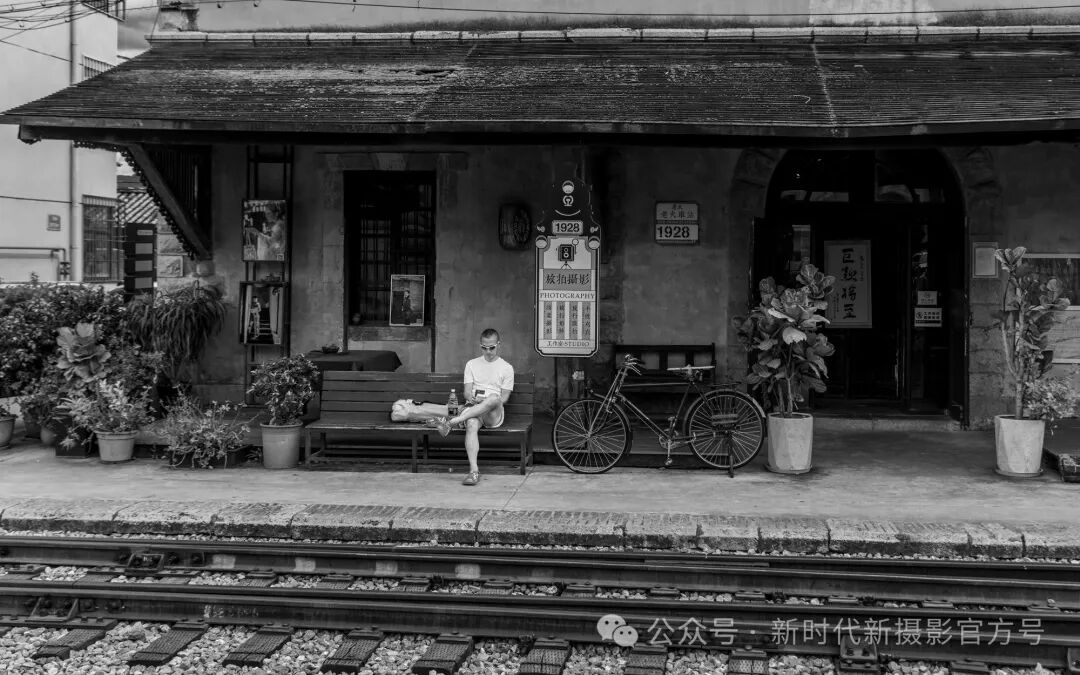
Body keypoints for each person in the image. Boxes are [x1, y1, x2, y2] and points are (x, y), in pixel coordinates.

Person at [429, 328, 514, 486]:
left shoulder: (507, 368)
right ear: (480, 345)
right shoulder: (471, 364)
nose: (488, 352)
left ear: (498, 345)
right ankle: (474, 471)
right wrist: (472, 398)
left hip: (493, 412)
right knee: (471, 424)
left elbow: (504, 398)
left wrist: (486, 401)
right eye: (484, 348)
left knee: (493, 398)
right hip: (474, 408)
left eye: (492, 347)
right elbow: (467, 392)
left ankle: (453, 422)